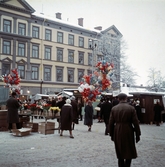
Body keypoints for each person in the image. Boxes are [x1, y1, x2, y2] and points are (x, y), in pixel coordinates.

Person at [109, 93, 141, 167]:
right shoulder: (131, 108)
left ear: (118, 99)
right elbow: (136, 122)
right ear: (126, 98)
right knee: (129, 149)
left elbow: (110, 123)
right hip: (128, 129)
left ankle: (121, 165)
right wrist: (138, 134)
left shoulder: (114, 108)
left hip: (117, 130)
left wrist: (111, 134)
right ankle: (127, 165)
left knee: (119, 149)